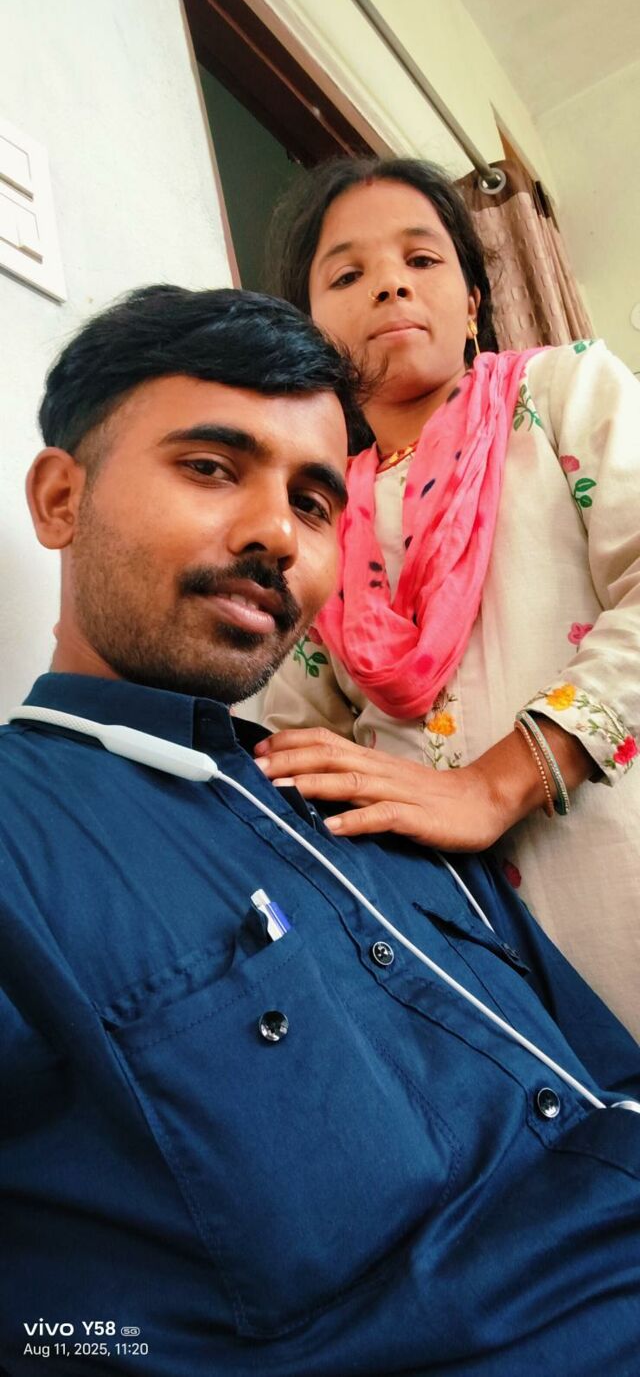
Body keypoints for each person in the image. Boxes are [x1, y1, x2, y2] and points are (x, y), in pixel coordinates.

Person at [2, 284, 640, 1377]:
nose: (276, 536)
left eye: (311, 503)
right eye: (212, 467)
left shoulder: (379, 800)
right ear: (63, 499)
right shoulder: (21, 839)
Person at [259, 156, 640, 1041]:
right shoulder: (315, 517)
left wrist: (495, 784)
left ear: (472, 302)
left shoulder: (562, 392)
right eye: (347, 275)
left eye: (421, 259)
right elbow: (296, 745)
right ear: (314, 335)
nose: (390, 283)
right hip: (453, 954)